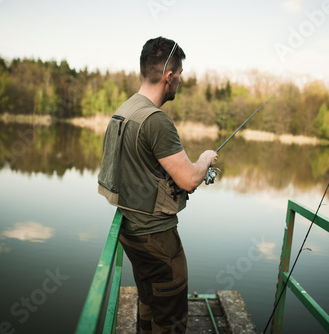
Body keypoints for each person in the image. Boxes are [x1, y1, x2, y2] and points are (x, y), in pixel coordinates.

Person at [97, 36, 218, 333]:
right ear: (169, 75)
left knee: (149, 299)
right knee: (171, 314)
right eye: (180, 76)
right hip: (156, 238)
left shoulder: (123, 111)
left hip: (130, 230)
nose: (179, 81)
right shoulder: (156, 120)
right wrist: (205, 159)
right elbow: (189, 180)